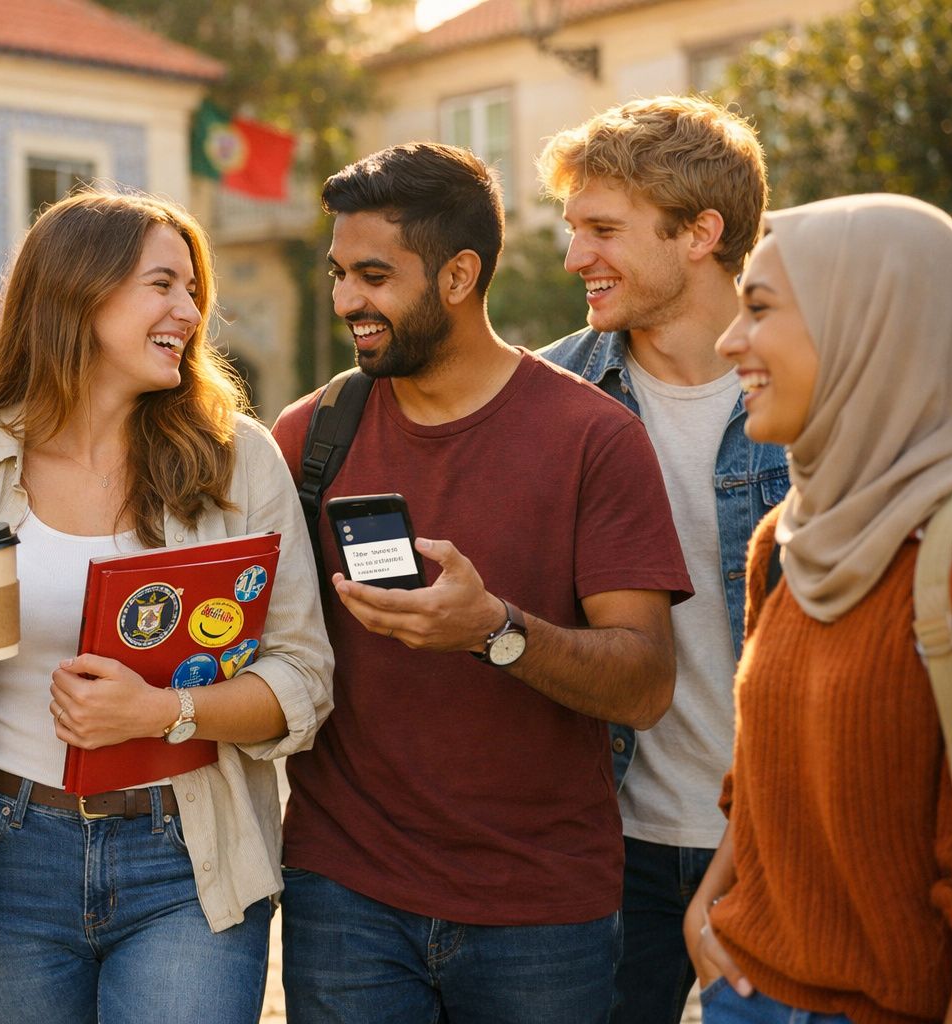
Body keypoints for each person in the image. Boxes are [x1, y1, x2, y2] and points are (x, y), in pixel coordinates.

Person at [0, 189, 334, 1023]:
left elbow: (305, 678)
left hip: (188, 858)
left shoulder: (238, 460)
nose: (193, 308)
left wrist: (166, 710)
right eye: (163, 284)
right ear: (78, 292)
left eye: (193, 288)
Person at [270, 142, 693, 1023]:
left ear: (459, 274)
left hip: (543, 909)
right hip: (344, 890)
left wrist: (494, 630)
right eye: (341, 273)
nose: (348, 299)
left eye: (376, 275)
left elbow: (646, 683)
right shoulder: (309, 434)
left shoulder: (594, 438)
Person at [535, 96, 788, 1024]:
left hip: (789, 839)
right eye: (573, 230)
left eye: (603, 229)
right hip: (608, 840)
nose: (574, 259)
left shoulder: (815, 390)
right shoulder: (550, 397)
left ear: (701, 232)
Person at [684, 193, 952, 1024]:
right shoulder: (784, 539)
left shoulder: (939, 557)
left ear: (873, 325)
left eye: (758, 310)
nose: (730, 342)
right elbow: (761, 780)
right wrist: (708, 904)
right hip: (746, 991)